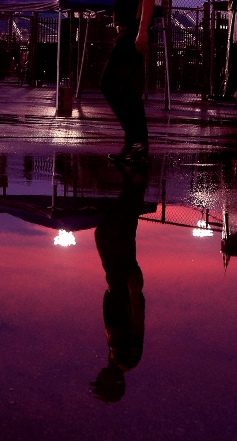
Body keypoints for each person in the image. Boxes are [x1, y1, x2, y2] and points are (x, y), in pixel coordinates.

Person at [90, 164, 148, 403]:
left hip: (118, 286)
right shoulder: (127, 359)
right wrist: (134, 292)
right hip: (123, 287)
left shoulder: (116, 359)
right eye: (101, 382)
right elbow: (137, 326)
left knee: (122, 232)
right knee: (107, 234)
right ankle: (134, 182)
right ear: (113, 383)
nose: (98, 376)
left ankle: (133, 182)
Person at [101, 0, 155, 164]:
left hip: (131, 33)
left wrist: (141, 31)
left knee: (108, 85)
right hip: (128, 31)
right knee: (131, 92)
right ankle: (137, 145)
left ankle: (134, 139)